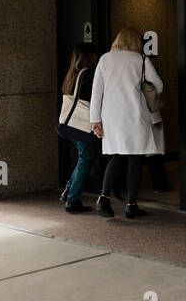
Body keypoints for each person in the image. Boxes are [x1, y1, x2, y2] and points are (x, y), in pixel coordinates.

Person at [90, 28, 163, 220]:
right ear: (136, 42)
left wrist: (95, 120)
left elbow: (96, 91)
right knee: (135, 158)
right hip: (135, 114)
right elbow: (158, 85)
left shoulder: (106, 59)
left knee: (117, 155)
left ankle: (104, 198)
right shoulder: (140, 59)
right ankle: (131, 205)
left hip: (111, 115)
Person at [57, 42, 99, 213]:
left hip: (70, 126)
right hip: (81, 126)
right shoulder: (88, 74)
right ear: (89, 56)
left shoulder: (71, 75)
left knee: (83, 158)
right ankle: (72, 200)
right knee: (85, 160)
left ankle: (69, 189)